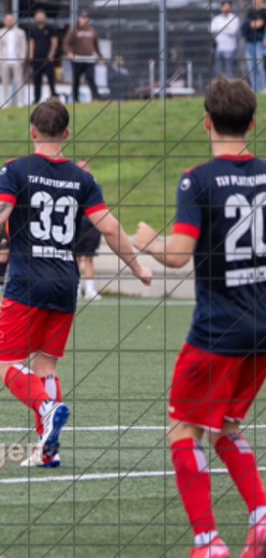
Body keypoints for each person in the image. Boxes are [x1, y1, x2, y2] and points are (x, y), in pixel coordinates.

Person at [130, 76, 266, 558]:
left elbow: (179, 254)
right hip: (262, 332)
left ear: (206, 121)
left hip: (217, 331)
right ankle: (261, 517)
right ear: (252, 123)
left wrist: (147, 240)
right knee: (227, 424)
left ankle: (208, 542)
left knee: (183, 429)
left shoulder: (198, 178)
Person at [0, 99, 151, 468]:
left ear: (32, 131)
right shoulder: (82, 178)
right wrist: (138, 267)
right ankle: (47, 450)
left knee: (5, 364)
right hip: (65, 281)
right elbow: (109, 227)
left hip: (27, 280)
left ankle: (46, 407)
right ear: (66, 133)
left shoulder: (15, 169)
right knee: (46, 368)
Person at [74, 159, 103, 301]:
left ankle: (90, 289)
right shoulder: (73, 184)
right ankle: (77, 288)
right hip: (77, 225)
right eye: (81, 167)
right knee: (76, 258)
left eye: (86, 167)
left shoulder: (94, 184)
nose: (84, 169)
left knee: (89, 258)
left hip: (91, 226)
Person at [62, 10, 104, 103]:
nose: (84, 20)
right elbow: (66, 43)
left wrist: (101, 56)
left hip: (89, 59)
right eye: (82, 18)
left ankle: (96, 97)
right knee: (76, 80)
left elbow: (96, 45)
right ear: (79, 19)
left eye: (86, 18)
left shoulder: (92, 31)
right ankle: (75, 98)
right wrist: (68, 52)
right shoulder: (73, 30)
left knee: (91, 78)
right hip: (77, 59)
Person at [0, 12, 28, 108]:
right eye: (7, 20)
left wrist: (22, 59)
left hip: (16, 60)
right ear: (4, 22)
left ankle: (20, 101)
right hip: (5, 61)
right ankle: (5, 101)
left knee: (19, 81)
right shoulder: (0, 32)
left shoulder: (20, 32)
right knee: (5, 81)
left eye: (11, 20)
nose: (9, 22)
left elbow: (23, 46)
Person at [29, 10, 59, 104]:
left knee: (51, 78)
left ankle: (54, 96)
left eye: (42, 16)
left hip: (47, 58)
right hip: (37, 59)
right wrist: (31, 55)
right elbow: (31, 43)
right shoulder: (33, 30)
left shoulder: (50, 29)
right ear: (35, 17)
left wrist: (51, 53)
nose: (40, 18)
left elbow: (54, 42)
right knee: (37, 79)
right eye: (38, 16)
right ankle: (37, 99)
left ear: (45, 17)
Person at [211, 0, 241, 78]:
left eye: (228, 7)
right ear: (221, 8)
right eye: (225, 7)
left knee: (229, 70)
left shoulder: (234, 18)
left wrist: (220, 28)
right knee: (218, 70)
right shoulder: (216, 19)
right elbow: (212, 29)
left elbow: (232, 31)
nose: (226, 9)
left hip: (230, 49)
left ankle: (230, 88)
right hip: (219, 48)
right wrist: (225, 27)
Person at [245, 0, 266, 92]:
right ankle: (254, 89)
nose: (255, 0)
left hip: (260, 44)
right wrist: (254, 24)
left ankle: (264, 88)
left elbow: (260, 24)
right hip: (249, 44)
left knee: (261, 68)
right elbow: (247, 25)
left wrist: (254, 24)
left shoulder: (264, 12)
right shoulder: (250, 12)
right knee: (251, 69)